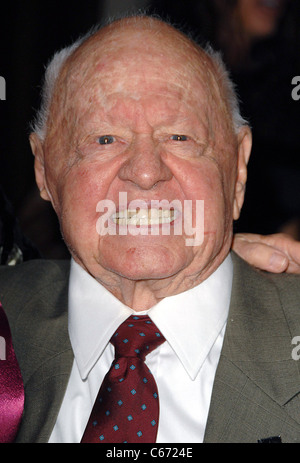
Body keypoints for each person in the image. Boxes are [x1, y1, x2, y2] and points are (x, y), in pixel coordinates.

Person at [1, 14, 300, 443]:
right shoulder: (8, 319)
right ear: (44, 170)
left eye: (180, 137)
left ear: (238, 168)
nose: (145, 173)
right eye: (105, 139)